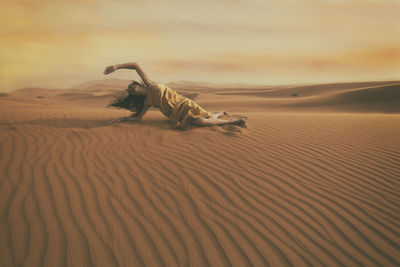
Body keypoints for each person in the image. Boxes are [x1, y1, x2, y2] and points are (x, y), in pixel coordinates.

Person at [104, 62, 246, 129]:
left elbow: (135, 65)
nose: (131, 89)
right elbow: (138, 117)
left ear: (138, 85)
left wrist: (116, 67)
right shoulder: (147, 102)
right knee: (204, 121)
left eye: (132, 86)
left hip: (185, 104)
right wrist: (123, 118)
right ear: (135, 95)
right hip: (176, 116)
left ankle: (233, 121)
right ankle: (220, 115)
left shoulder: (151, 83)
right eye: (130, 91)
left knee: (204, 120)